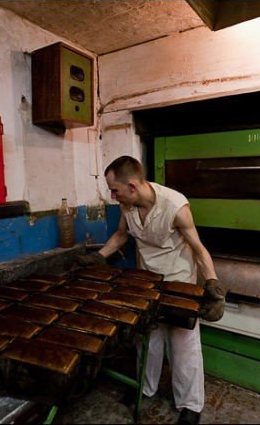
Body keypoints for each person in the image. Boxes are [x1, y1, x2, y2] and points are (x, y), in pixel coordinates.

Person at [76, 155, 226, 425]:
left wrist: (213, 285)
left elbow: (198, 249)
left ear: (132, 186)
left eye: (115, 190)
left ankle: (190, 405)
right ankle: (145, 389)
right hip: (147, 281)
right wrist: (99, 257)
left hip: (179, 281)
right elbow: (121, 235)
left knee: (183, 345)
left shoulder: (176, 206)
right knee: (147, 338)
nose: (112, 196)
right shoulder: (127, 206)